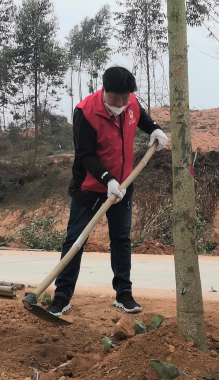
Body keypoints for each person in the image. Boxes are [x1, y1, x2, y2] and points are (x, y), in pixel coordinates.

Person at [46, 67, 168, 316]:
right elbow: (85, 155)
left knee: (121, 240)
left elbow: (141, 117)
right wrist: (107, 180)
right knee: (75, 241)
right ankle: (62, 296)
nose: (121, 104)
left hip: (123, 187)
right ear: (104, 91)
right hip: (89, 188)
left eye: (125, 99)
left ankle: (124, 294)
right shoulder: (85, 112)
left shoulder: (130, 101)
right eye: (115, 99)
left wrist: (154, 128)